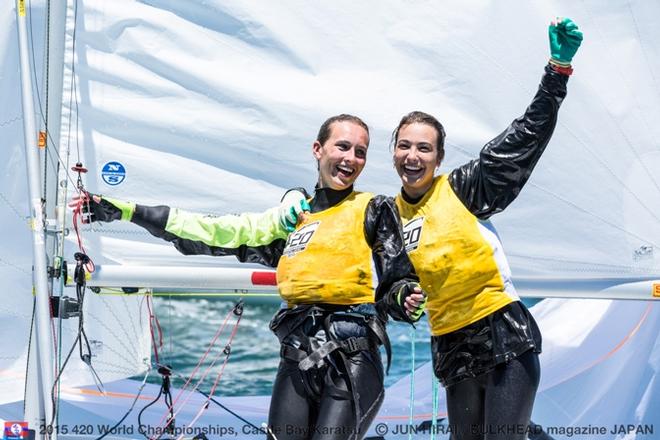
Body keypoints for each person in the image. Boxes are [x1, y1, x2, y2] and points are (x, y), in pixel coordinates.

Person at [75, 114, 426, 440]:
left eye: (360, 152)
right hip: (298, 356)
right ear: (318, 150)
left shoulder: (374, 208)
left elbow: (396, 274)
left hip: (353, 360)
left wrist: (403, 296)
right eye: (342, 146)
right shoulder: (288, 222)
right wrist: (127, 211)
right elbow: (208, 233)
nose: (351, 158)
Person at [388, 18, 583, 440]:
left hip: (504, 339)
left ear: (438, 158)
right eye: (404, 145)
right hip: (452, 350)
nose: (413, 155)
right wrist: (401, 297)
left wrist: (557, 71)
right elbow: (388, 288)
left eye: (424, 147)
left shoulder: (464, 188)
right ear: (393, 152)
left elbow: (525, 137)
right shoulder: (387, 218)